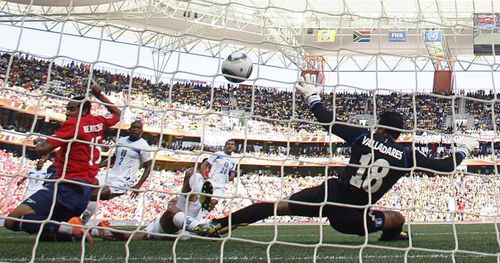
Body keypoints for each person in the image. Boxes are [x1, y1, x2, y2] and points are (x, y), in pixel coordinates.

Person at [194, 74, 479, 241]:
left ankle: (217, 225)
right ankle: (390, 234)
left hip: (329, 194)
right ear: (401, 134)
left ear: (379, 126)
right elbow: (445, 167)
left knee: (273, 206)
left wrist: (313, 96)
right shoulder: (406, 155)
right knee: (397, 217)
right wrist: (464, 147)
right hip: (351, 216)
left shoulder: (362, 135)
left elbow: (327, 121)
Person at [4, 84, 121, 242]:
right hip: (84, 192)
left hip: (66, 186)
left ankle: (74, 227)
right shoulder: (99, 122)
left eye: (71, 109)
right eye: (67, 109)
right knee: (50, 235)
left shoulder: (73, 125)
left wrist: (39, 141)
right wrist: (100, 95)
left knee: (12, 220)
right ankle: (85, 230)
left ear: (84, 111)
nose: (67, 113)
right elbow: (117, 113)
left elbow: (42, 150)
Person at [96, 159, 240, 241]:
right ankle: (199, 205)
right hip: (186, 226)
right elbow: (218, 230)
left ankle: (102, 232)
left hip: (181, 226)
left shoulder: (155, 227)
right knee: (177, 207)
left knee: (172, 211)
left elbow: (219, 230)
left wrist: (237, 224)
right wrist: (237, 223)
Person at [81, 120, 153, 224]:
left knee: (99, 193)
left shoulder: (143, 146)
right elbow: (114, 159)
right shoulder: (121, 140)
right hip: (111, 175)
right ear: (129, 129)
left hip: (123, 180)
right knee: (90, 184)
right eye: (134, 127)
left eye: (138, 128)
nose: (136, 130)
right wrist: (97, 166)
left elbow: (149, 166)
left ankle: (79, 213)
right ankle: (82, 220)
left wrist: (138, 186)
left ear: (142, 131)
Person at [200, 139, 237, 210]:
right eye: (228, 144)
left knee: (214, 202)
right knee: (203, 201)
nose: (230, 145)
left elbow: (232, 171)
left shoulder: (234, 160)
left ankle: (204, 215)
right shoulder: (218, 154)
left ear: (234, 148)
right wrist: (204, 176)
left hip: (222, 184)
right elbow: (205, 164)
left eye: (232, 144)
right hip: (212, 181)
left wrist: (232, 176)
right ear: (225, 146)